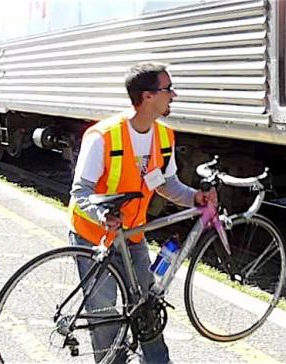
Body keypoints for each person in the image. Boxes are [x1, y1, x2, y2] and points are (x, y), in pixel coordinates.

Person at [68, 61, 216, 363]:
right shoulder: (103, 136)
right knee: (105, 312)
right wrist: (103, 217)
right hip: (93, 236)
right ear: (148, 96)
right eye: (168, 89)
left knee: (147, 304)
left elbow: (166, 184)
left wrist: (195, 198)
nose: (173, 95)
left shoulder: (164, 136)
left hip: (132, 234)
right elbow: (80, 193)